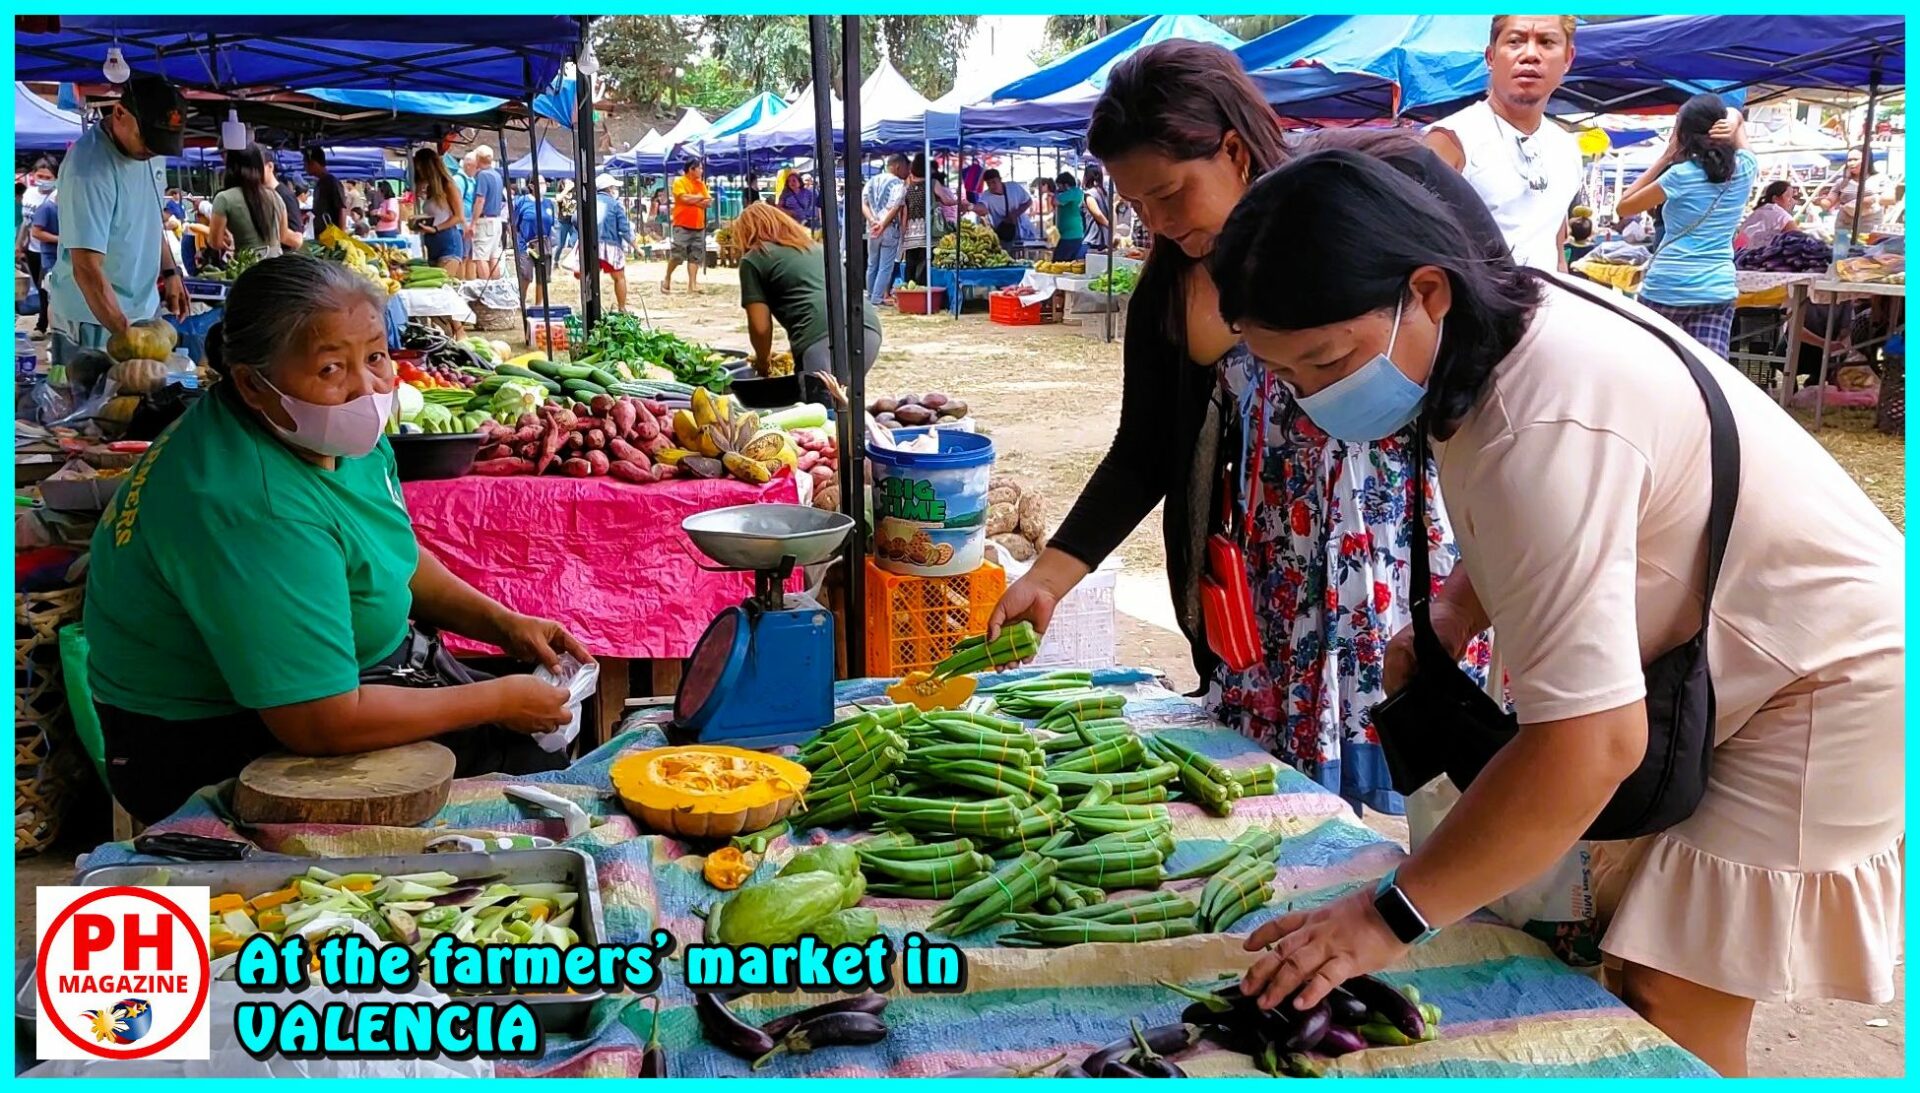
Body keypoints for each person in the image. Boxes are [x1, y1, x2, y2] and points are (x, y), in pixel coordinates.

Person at [1214, 148, 1902, 1079]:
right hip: (1731, 645)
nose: (1315, 395)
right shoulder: (1501, 324)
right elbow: (1562, 522)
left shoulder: (1544, 418)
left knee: (1671, 988)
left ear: (1426, 291)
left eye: (1328, 360)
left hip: (1827, 675)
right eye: (1287, 375)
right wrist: (1457, 604)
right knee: (1630, 955)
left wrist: (1387, 917)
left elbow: (1589, 743)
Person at [989, 41, 1501, 813]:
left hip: (1405, 564)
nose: (1156, 224)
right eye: (1136, 207)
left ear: (1231, 148)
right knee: (1287, 806)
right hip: (1270, 581)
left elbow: (1490, 325)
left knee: (1442, 790)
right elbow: (1144, 450)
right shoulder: (1173, 285)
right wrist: (1050, 577)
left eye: (1170, 194)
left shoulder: (1380, 189)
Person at [82, 254, 589, 824]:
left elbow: (383, 554)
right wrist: (497, 700)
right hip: (218, 740)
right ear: (252, 382)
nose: (365, 387)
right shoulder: (251, 505)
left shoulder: (327, 432)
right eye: (330, 369)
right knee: (524, 776)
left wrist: (502, 624)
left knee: (534, 729)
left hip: (356, 676)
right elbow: (317, 720)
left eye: (374, 357)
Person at [43, 74, 190, 367]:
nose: (152, 150)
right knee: (95, 407)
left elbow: (149, 219)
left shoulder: (149, 153)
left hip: (142, 311)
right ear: (119, 113)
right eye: (147, 139)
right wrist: (127, 337)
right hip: (93, 318)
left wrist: (171, 272)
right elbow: (86, 268)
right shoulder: (89, 169)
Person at [1427, 16, 1584, 270]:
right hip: (1472, 306)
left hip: (1548, 304)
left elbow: (1554, 247)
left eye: (1546, 42)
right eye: (1515, 41)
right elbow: (1418, 252)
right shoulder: (1449, 142)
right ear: (1491, 57)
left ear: (1568, 58)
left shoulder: (1567, 148)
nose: (1530, 54)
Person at [1615, 96, 1757, 359]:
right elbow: (1739, 127)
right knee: (1712, 378)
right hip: (1716, 289)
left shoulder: (1680, 175)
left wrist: (1666, 156)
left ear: (1682, 134)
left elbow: (1624, 207)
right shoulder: (1746, 168)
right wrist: (1734, 119)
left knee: (1656, 372)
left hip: (1666, 287)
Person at [734, 203, 882, 378]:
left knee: (819, 404)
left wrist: (763, 363)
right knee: (844, 400)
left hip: (819, 340)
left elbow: (760, 328)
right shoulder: (817, 249)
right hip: (868, 328)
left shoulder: (754, 259)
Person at [210, 144, 302, 260]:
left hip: (247, 268)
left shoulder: (223, 198)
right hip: (276, 267)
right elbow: (283, 235)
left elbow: (215, 242)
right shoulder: (275, 196)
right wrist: (298, 238)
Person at [410, 146, 468, 278]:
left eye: (420, 168)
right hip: (432, 242)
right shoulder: (431, 189)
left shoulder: (448, 186)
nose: (419, 171)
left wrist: (436, 228)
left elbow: (459, 216)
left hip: (447, 240)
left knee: (443, 285)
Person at [865, 153, 910, 305]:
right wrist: (883, 224)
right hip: (889, 228)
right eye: (906, 167)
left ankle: (870, 295)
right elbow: (895, 206)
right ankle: (877, 298)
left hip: (872, 228)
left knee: (872, 264)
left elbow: (862, 203)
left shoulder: (872, 180)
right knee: (885, 266)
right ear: (898, 166)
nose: (908, 171)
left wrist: (873, 221)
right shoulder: (898, 184)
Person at [662, 159, 710, 294]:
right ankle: (667, 277)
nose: (701, 171)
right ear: (691, 169)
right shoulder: (679, 182)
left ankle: (692, 285)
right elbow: (683, 199)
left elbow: (708, 202)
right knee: (678, 254)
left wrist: (694, 199)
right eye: (699, 168)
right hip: (682, 224)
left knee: (695, 255)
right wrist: (699, 198)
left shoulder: (700, 184)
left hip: (698, 225)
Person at [1819, 149, 1887, 242]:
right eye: (1849, 160)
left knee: (1867, 251)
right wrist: (1821, 202)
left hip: (1869, 224)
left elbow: (1890, 199)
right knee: (1842, 251)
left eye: (1855, 159)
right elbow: (1830, 201)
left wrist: (1874, 199)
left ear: (1867, 160)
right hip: (1844, 224)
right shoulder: (1841, 182)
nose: (1851, 163)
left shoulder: (1880, 179)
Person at [592, 173, 635, 313]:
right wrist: (637, 247)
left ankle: (592, 308)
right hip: (610, 245)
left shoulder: (589, 201)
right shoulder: (615, 204)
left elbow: (575, 219)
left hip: (590, 244)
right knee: (619, 277)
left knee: (591, 278)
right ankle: (622, 308)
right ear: (609, 188)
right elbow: (624, 228)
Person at [513, 179, 557, 309]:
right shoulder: (522, 202)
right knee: (525, 275)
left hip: (544, 243)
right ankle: (521, 302)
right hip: (525, 244)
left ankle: (539, 305)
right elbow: (514, 223)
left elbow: (552, 223)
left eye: (545, 183)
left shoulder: (548, 203)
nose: (544, 186)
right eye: (541, 182)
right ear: (532, 185)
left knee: (542, 276)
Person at [466, 145, 507, 281]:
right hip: (497, 220)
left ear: (478, 158)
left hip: (485, 221)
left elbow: (480, 200)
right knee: (493, 256)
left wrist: (472, 223)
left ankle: (486, 291)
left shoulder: (482, 175)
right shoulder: (497, 175)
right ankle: (496, 288)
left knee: (480, 256)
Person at [26, 178, 58, 338]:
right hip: (49, 258)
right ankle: (44, 326)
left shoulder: (69, 208)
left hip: (65, 257)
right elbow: (35, 232)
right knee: (48, 293)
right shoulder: (47, 208)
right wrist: (61, 239)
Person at [1737, 180, 1800, 252]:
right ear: (1775, 198)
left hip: (1742, 257)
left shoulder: (1756, 213)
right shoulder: (1780, 215)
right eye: (1788, 196)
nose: (1792, 201)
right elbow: (1801, 241)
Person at [973, 169, 1031, 246]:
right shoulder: (986, 195)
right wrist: (971, 207)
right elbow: (982, 207)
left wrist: (1015, 214)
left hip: (1024, 231)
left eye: (994, 182)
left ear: (1000, 179)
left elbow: (1028, 201)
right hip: (1003, 235)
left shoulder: (1014, 187)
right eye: (988, 183)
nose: (992, 186)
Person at [304, 146, 348, 236]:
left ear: (313, 163)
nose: (304, 166)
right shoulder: (319, 183)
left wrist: (341, 238)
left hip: (332, 237)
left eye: (305, 163)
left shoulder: (332, 182)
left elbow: (342, 209)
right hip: (321, 236)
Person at [1052, 171, 1087, 262]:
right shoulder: (1075, 192)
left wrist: (1056, 194)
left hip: (1070, 235)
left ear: (1066, 185)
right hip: (1069, 234)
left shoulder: (1074, 192)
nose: (1058, 188)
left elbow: (1055, 201)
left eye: (1059, 186)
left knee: (1058, 262)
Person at [1081, 163, 1113, 254]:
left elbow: (1097, 214)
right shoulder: (1104, 193)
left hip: (1093, 239)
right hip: (1105, 239)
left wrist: (1109, 226)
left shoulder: (1089, 194)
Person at [554, 179, 579, 260]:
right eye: (566, 183)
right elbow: (558, 199)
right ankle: (556, 261)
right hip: (563, 222)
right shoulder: (560, 195)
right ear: (562, 185)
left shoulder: (575, 194)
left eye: (570, 182)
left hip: (573, 223)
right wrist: (566, 189)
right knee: (560, 245)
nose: (569, 184)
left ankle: (576, 260)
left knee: (574, 242)